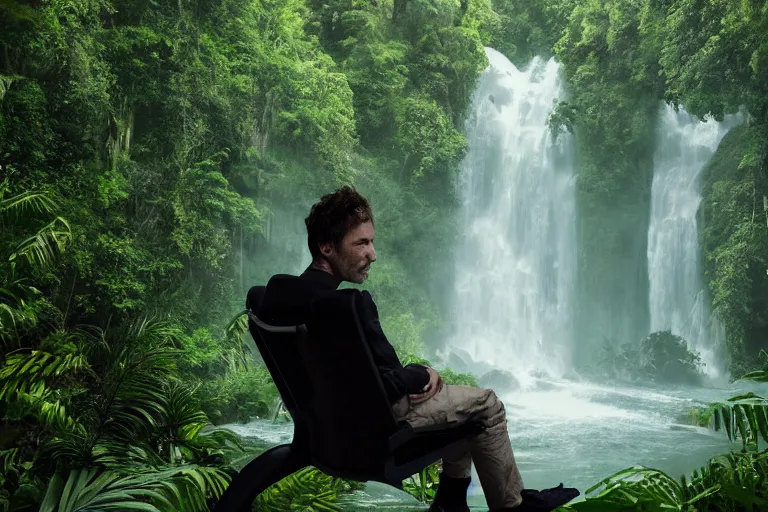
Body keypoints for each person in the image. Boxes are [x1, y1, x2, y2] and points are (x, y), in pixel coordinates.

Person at [265, 186, 576, 512]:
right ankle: (510, 506)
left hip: (328, 432)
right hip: (378, 427)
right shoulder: (346, 308)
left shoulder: (283, 298)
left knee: (461, 407)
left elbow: (356, 379)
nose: (373, 253)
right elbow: (384, 388)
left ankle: (451, 501)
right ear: (326, 247)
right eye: (362, 243)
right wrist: (418, 375)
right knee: (486, 405)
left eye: (372, 242)